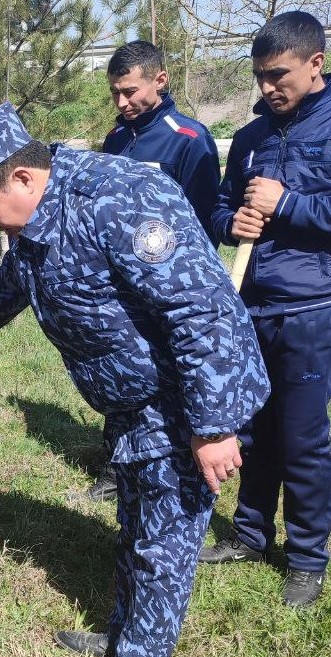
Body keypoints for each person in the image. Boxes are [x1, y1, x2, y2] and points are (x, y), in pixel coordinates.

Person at [0, 102, 269, 657]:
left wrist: (214, 425)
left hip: (182, 397)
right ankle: (124, 633)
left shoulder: (119, 199)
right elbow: (7, 289)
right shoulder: (37, 220)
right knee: (136, 522)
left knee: (164, 537)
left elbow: (200, 309)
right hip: (131, 401)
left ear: (24, 179)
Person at [199, 12, 331, 609]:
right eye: (259, 78)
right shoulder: (251, 139)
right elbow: (221, 210)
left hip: (312, 307)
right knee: (254, 432)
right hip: (253, 307)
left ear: (315, 64)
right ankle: (250, 534)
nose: (267, 88)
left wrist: (290, 204)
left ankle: (306, 558)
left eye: (278, 75)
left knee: (302, 439)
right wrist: (235, 222)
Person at [84, 40, 222, 503]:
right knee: (120, 370)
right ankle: (117, 466)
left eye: (130, 91)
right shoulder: (116, 140)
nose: (122, 103)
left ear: (160, 80)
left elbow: (202, 225)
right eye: (115, 95)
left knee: (173, 377)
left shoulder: (189, 139)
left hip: (167, 288)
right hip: (119, 288)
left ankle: (182, 466)